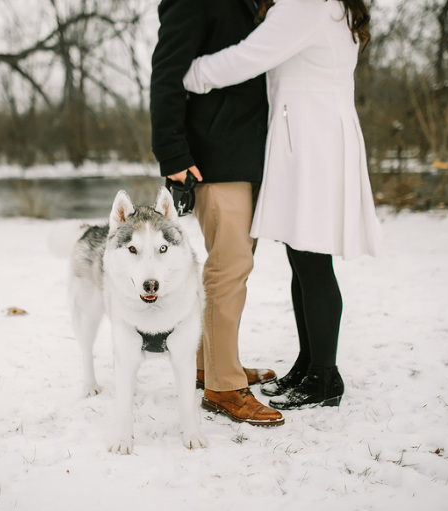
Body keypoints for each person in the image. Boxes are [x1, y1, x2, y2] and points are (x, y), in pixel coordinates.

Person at [183, 0, 382, 409]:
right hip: (314, 135)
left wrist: (190, 75)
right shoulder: (329, 6)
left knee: (312, 259)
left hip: (312, 141)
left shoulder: (307, 5)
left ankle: (325, 377)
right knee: (302, 256)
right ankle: (310, 365)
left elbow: (247, 58)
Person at [150, 0, 284, 426]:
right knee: (230, 266)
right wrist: (172, 153)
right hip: (215, 154)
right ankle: (224, 386)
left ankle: (211, 364)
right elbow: (166, 73)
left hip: (253, 155)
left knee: (235, 265)